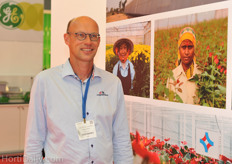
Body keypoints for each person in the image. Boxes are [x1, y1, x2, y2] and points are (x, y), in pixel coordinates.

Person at [24, 16, 133, 164]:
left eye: (93, 36)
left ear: (99, 41)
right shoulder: (45, 81)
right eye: (80, 35)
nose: (88, 42)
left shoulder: (113, 84)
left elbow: (121, 139)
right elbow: (33, 141)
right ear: (67, 39)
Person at [166, 27, 202, 104]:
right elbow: (167, 101)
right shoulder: (173, 76)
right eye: (183, 47)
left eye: (190, 47)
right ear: (179, 49)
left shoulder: (201, 73)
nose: (186, 52)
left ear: (194, 48)